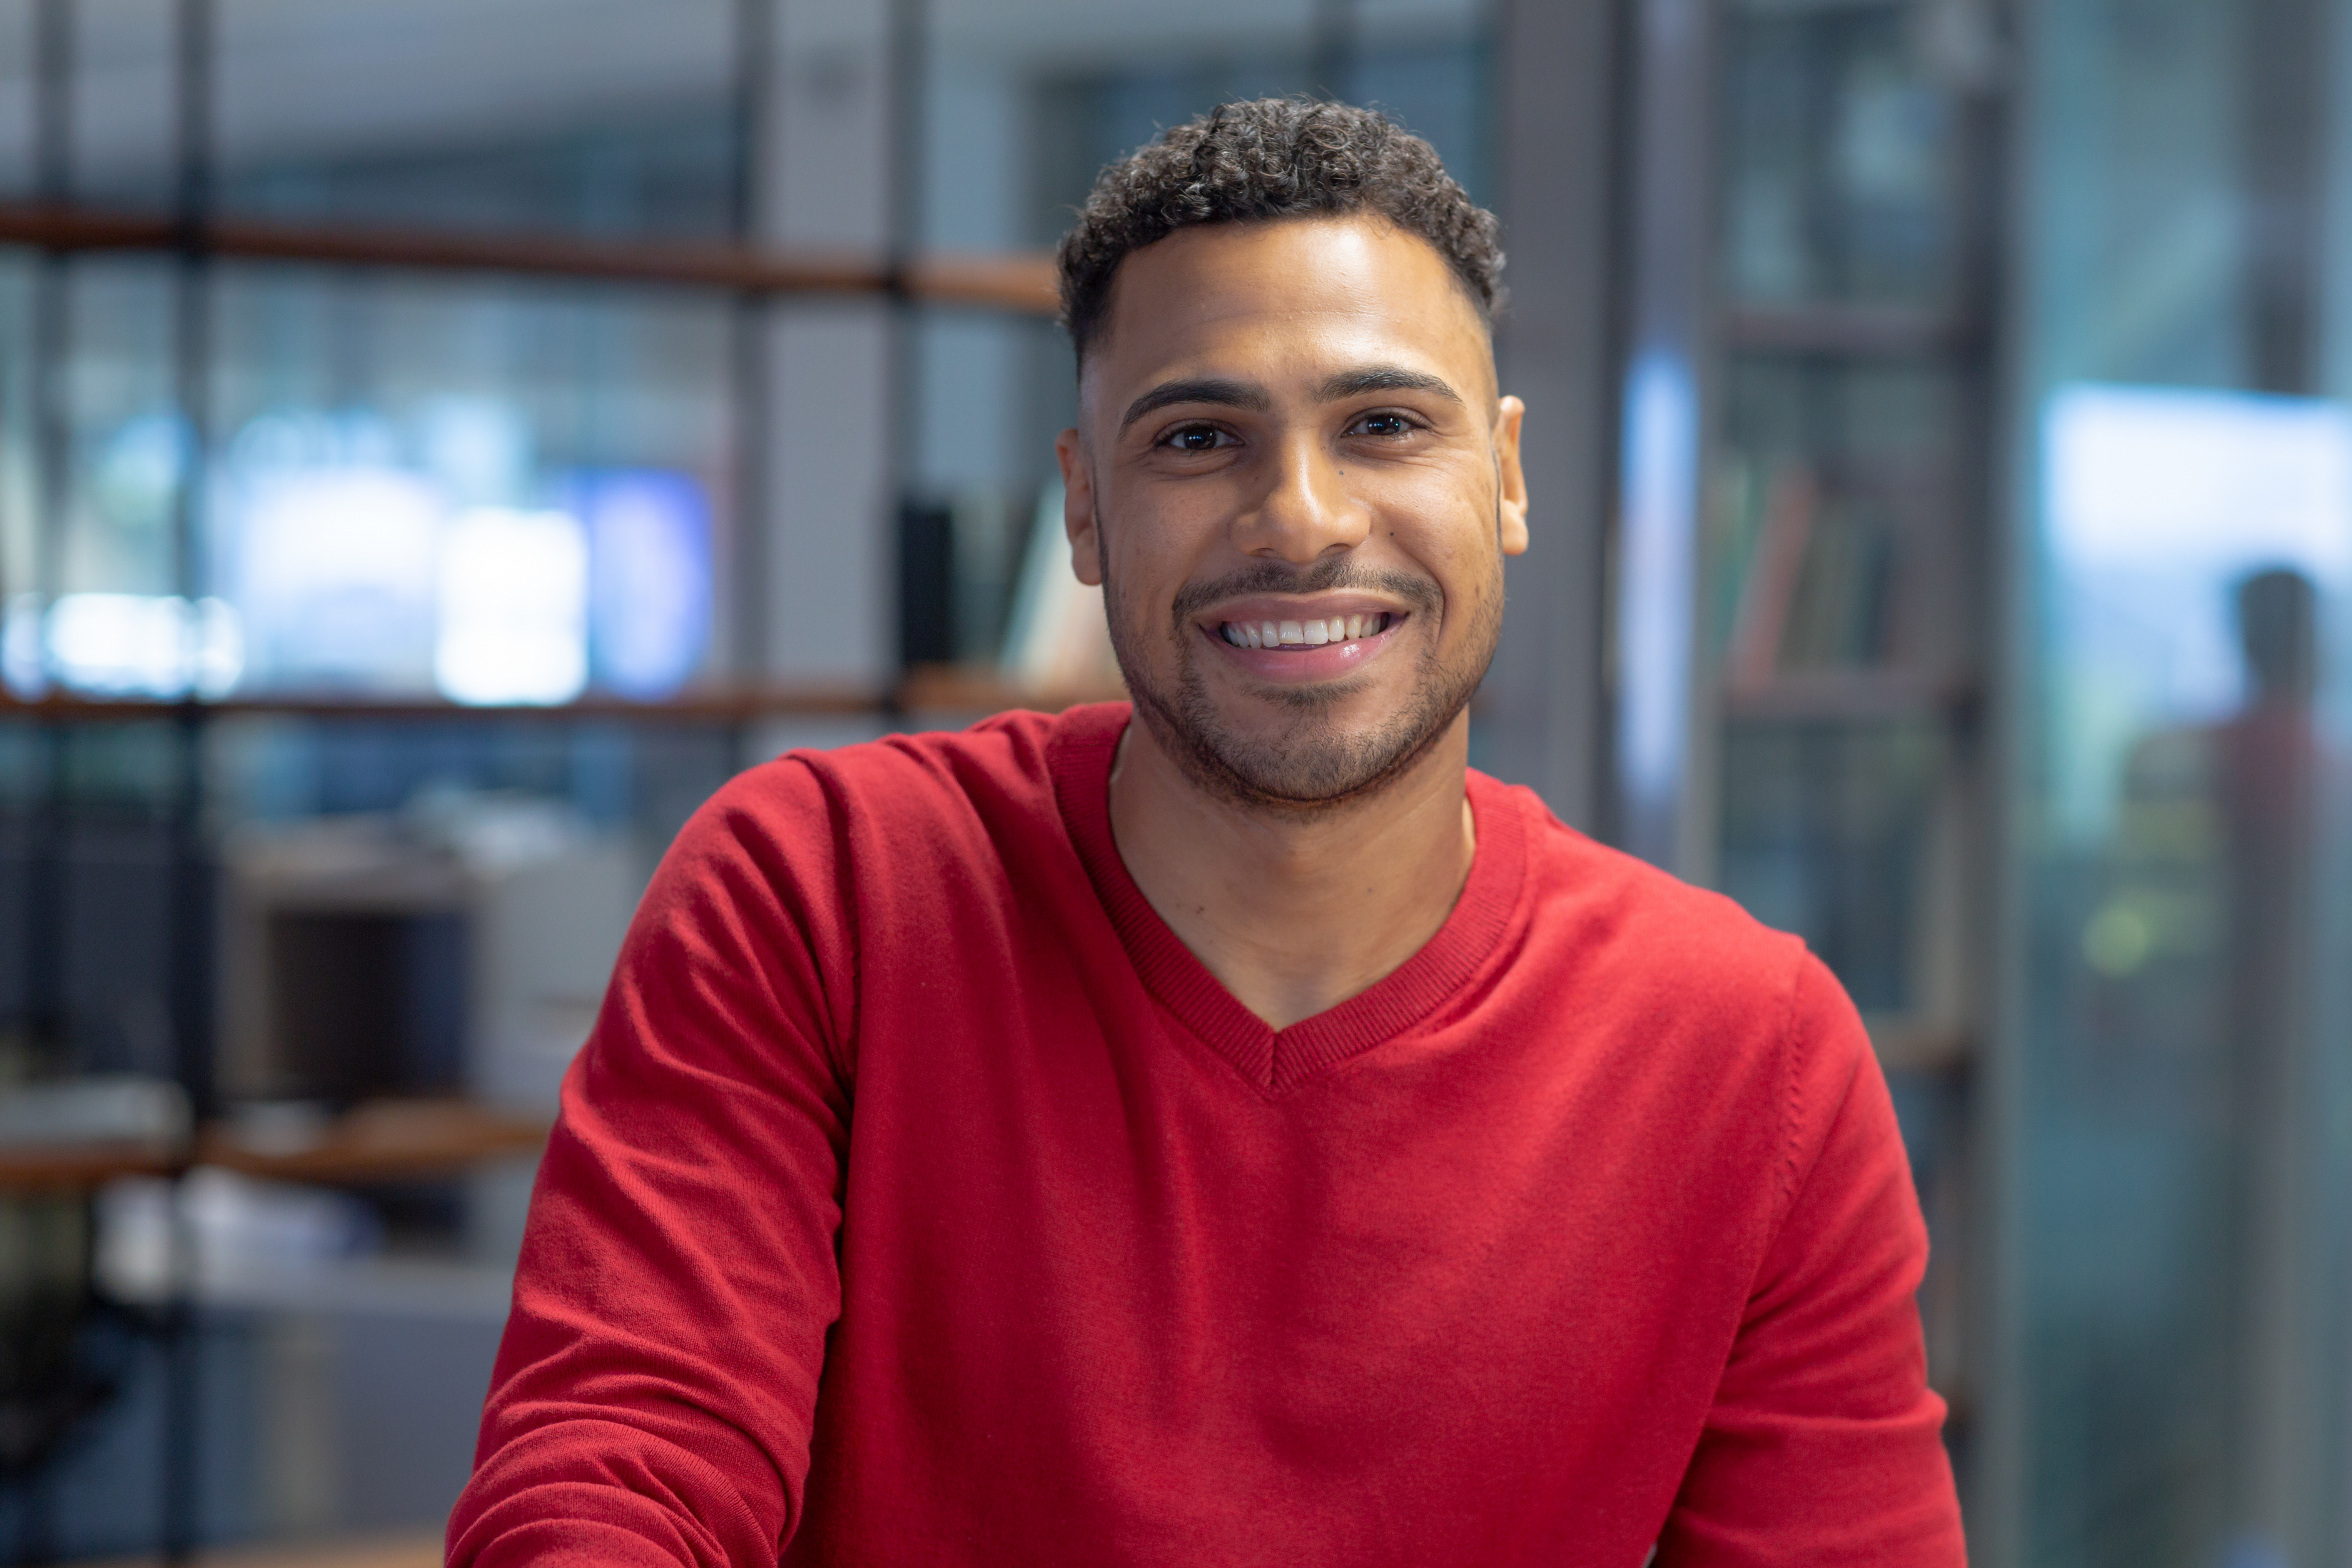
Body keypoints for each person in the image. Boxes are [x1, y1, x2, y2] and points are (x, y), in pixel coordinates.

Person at [449, 99, 1964, 1566]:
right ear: (1084, 507)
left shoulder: (1748, 1048)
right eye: (1193, 438)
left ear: (1501, 475)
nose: (1298, 517)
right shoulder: (820, 892)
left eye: (1381, 424)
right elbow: (615, 1462)